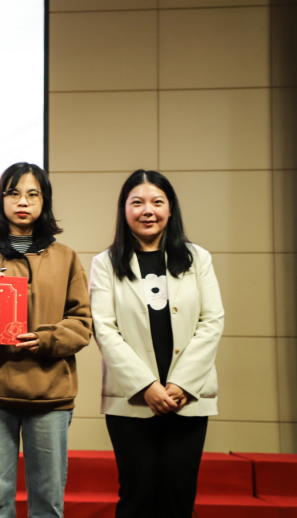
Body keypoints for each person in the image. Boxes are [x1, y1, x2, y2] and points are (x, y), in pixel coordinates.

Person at [0, 162, 92, 518]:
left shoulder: (66, 257)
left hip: (50, 395)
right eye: (14, 193)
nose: (23, 202)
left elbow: (82, 323)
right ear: (0, 200)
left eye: (33, 194)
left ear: (44, 201)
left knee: (48, 505)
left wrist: (47, 339)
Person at [89, 169, 224, 518]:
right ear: (124, 210)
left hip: (187, 397)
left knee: (178, 497)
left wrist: (182, 383)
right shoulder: (105, 264)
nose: (147, 210)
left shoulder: (198, 258)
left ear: (170, 208)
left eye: (157, 202)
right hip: (132, 400)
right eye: (137, 203)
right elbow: (105, 329)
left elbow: (212, 322)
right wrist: (146, 385)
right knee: (137, 495)